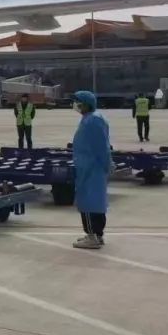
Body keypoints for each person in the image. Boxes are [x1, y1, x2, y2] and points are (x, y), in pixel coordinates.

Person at [71, 90, 112, 250]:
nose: (76, 105)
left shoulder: (92, 121)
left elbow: (101, 147)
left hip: (89, 167)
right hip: (92, 166)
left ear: (87, 104)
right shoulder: (93, 118)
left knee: (88, 203)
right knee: (97, 202)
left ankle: (91, 235)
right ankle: (98, 235)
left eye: (78, 102)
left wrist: (107, 163)